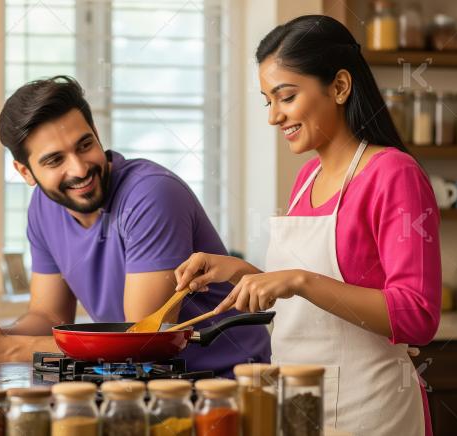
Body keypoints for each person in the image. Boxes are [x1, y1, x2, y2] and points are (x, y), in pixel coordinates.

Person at [175, 16, 440, 435]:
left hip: (371, 411)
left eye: (286, 97)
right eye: (268, 101)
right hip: (299, 405)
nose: (274, 117)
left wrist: (299, 279)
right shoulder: (306, 181)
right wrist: (240, 273)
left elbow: (417, 315)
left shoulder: (393, 174)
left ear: (338, 86)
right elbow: (308, 305)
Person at [0, 75, 271, 377]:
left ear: (97, 135)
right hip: (139, 382)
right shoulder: (43, 206)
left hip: (226, 381)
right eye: (55, 160)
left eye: (85, 145)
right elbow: (48, 316)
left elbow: (142, 342)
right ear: (26, 173)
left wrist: (8, 349)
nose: (80, 169)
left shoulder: (151, 195)